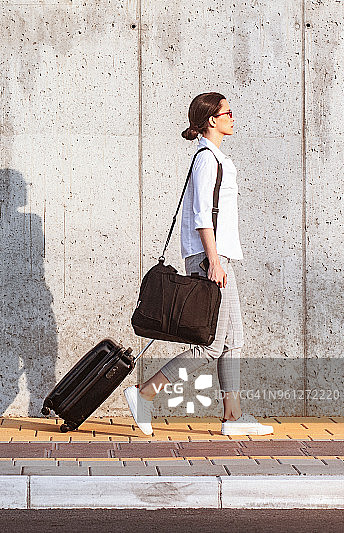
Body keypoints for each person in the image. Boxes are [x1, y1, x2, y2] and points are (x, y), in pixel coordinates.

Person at [124, 92, 273, 436]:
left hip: (217, 258)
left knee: (233, 339)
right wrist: (213, 261)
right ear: (211, 120)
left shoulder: (216, 157)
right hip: (210, 259)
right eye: (228, 112)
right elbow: (201, 216)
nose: (233, 118)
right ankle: (145, 393)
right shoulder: (207, 159)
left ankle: (233, 418)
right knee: (210, 345)